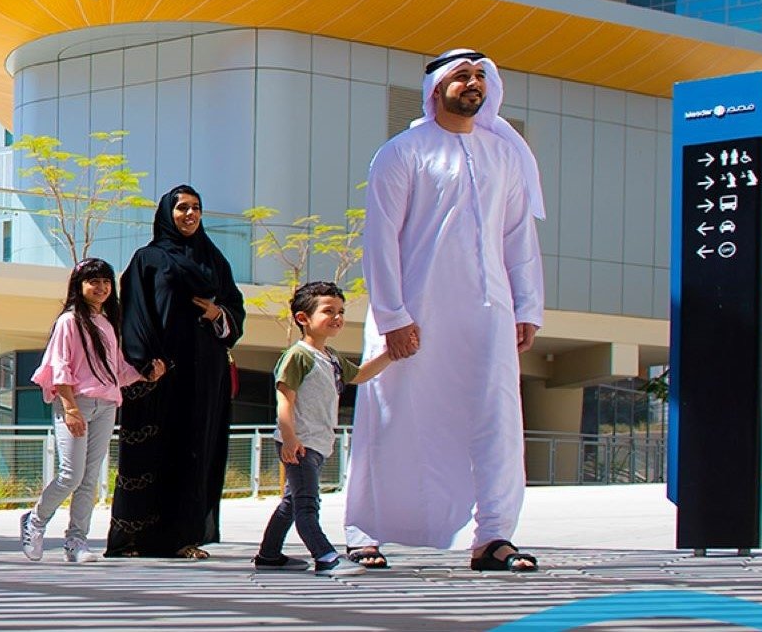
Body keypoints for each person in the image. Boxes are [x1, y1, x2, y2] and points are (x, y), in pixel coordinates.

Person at [346, 49, 548, 573]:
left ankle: (494, 536)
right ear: (437, 88)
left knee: (497, 419)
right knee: (393, 416)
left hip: (488, 312)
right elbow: (381, 240)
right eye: (462, 76)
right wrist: (393, 316)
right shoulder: (402, 152)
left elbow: (518, 238)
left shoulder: (504, 156)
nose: (473, 84)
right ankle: (364, 530)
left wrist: (527, 305)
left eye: (481, 76)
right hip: (417, 309)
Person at [108, 185, 247, 559]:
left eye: (196, 208)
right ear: (167, 214)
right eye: (182, 207)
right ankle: (136, 539)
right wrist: (144, 362)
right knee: (157, 450)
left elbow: (235, 308)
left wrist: (219, 314)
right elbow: (135, 313)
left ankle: (184, 537)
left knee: (196, 450)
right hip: (162, 373)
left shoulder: (214, 260)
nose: (190, 214)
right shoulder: (148, 259)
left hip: (205, 373)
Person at [19, 258, 166, 563]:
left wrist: (146, 374)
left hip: (106, 405)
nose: (101, 287)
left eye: (106, 281)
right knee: (71, 475)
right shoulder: (69, 321)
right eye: (93, 281)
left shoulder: (108, 323)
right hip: (77, 403)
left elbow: (116, 370)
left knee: (88, 479)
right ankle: (35, 520)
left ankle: (76, 542)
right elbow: (59, 366)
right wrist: (70, 408)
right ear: (80, 285)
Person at [254, 281, 392, 577]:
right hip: (300, 443)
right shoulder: (298, 355)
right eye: (328, 311)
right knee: (307, 505)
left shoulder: (332, 357)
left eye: (341, 311)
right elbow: (284, 401)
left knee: (291, 503)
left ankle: (268, 555)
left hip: (317, 443)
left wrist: (391, 354)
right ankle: (326, 557)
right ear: (303, 318)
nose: (337, 317)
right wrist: (289, 438)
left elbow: (361, 374)